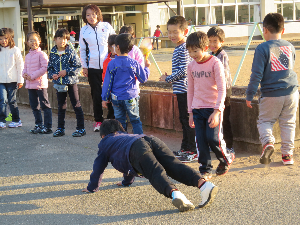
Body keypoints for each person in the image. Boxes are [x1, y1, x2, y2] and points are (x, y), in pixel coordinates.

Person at [82, 119, 218, 212]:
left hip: (137, 148)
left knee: (154, 172)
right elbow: (127, 163)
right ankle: (204, 185)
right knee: (174, 165)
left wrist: (92, 187)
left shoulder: (105, 143)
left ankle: (176, 194)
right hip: (150, 139)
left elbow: (98, 167)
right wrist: (126, 182)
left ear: (103, 135)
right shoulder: (127, 136)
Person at [246, 13, 299, 165]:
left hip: (271, 93)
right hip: (292, 92)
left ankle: (268, 142)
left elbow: (256, 75)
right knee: (288, 122)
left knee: (265, 121)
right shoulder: (289, 46)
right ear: (283, 30)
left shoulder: (262, 48)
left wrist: (249, 95)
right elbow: (290, 68)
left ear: (265, 30)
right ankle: (287, 156)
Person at [186, 31, 235, 180]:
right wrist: (190, 112)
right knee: (200, 140)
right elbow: (191, 90)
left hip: (213, 108)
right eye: (190, 51)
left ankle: (226, 158)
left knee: (213, 139)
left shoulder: (215, 63)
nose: (193, 54)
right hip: (197, 108)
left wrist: (217, 111)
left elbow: (222, 88)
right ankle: (205, 169)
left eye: (195, 51)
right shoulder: (191, 66)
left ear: (205, 47)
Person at [159, 16, 196, 163]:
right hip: (180, 90)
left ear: (185, 31)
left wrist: (168, 78)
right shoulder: (179, 47)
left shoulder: (184, 48)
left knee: (188, 120)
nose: (172, 35)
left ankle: (192, 150)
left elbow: (185, 70)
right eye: (169, 32)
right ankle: (185, 148)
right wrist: (171, 76)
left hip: (186, 90)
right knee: (183, 119)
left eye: (175, 32)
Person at [102, 33, 150, 134]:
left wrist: (104, 98)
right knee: (135, 120)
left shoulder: (112, 64)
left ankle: (122, 142)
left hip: (116, 97)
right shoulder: (134, 63)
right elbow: (143, 79)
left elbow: (107, 83)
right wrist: (146, 68)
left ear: (117, 47)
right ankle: (139, 141)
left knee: (120, 122)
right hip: (131, 96)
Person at [79, 4, 115, 132]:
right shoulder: (83, 31)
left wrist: (114, 59)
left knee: (110, 92)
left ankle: (111, 121)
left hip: (108, 66)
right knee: (96, 94)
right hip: (93, 67)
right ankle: (98, 121)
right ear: (85, 17)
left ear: (98, 14)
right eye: (88, 15)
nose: (91, 17)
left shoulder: (106, 26)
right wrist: (84, 66)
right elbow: (82, 50)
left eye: (93, 14)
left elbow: (114, 43)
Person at [47, 28, 85, 137]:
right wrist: (52, 75)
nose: (62, 41)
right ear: (55, 39)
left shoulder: (71, 51)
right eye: (59, 38)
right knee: (61, 106)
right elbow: (49, 68)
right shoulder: (53, 52)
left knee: (76, 104)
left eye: (64, 39)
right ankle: (60, 128)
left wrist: (66, 71)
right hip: (59, 84)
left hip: (71, 82)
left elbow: (78, 67)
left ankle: (81, 128)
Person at [207, 27, 234, 152]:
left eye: (215, 41)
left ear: (221, 42)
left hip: (224, 91)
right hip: (216, 91)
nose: (212, 44)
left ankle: (229, 146)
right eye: (210, 41)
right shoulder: (212, 55)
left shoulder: (221, 55)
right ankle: (220, 145)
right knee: (218, 120)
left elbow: (222, 75)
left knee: (225, 120)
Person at [23, 31, 52, 134]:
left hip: (40, 84)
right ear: (27, 43)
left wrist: (32, 75)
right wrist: (24, 74)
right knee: (34, 106)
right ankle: (38, 125)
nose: (33, 42)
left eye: (35, 40)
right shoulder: (27, 56)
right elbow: (25, 68)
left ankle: (48, 126)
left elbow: (45, 68)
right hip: (30, 85)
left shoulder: (42, 54)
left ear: (39, 41)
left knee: (45, 105)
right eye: (30, 40)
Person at [0, 28, 24, 129]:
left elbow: (20, 66)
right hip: (1, 80)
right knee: (2, 100)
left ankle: (16, 120)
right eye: (0, 39)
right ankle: (2, 120)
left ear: (10, 38)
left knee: (12, 100)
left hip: (12, 80)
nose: (3, 41)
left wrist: (20, 80)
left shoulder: (15, 50)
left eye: (5, 38)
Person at [102, 34, 117, 119]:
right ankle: (110, 131)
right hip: (110, 92)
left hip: (120, 92)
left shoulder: (122, 59)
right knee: (111, 112)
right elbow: (105, 79)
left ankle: (121, 131)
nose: (114, 49)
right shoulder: (106, 62)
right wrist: (105, 95)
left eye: (116, 46)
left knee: (121, 115)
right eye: (112, 46)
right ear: (109, 47)